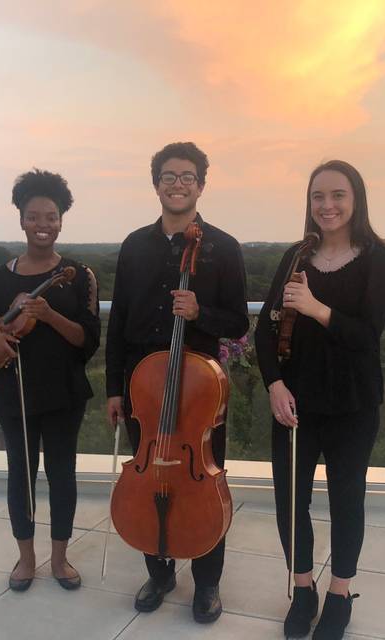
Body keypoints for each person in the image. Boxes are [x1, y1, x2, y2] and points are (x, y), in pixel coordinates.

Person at [105, 142, 249, 623]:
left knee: (202, 484)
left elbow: (238, 323)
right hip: (143, 389)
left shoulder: (223, 247)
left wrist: (200, 311)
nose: (177, 184)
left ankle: (206, 584)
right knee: (150, 481)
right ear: (156, 184)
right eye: (168, 176)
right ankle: (160, 571)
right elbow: (119, 321)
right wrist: (113, 389)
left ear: (201, 185)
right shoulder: (133, 245)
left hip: (199, 395)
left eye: (187, 176)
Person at [255, 160, 385, 639]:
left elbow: (366, 336)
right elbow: (264, 330)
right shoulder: (296, 255)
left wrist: (314, 308)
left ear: (356, 200)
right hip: (294, 403)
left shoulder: (377, 258)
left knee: (345, 501)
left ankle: (339, 593)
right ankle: (303, 589)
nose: (327, 205)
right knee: (290, 503)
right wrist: (274, 383)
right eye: (318, 196)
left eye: (338, 195)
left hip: (353, 405)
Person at [0, 169, 100, 593]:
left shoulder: (79, 276)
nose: (43, 225)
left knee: (62, 475)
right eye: (34, 216)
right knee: (20, 474)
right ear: (21, 219)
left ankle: (59, 559)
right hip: (14, 393)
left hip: (64, 393)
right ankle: (26, 559)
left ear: (61, 220)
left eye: (51, 217)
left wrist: (49, 314)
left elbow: (87, 341)